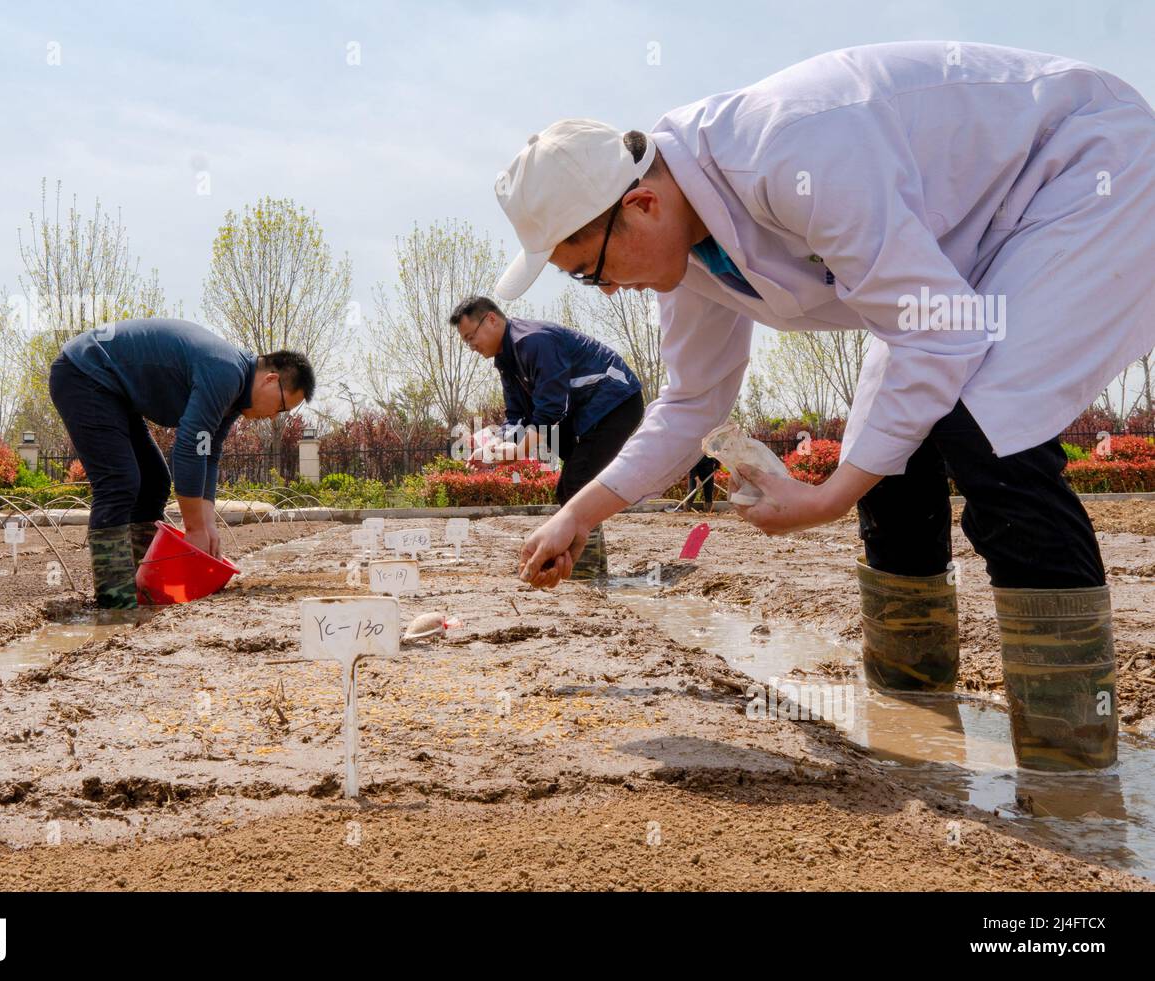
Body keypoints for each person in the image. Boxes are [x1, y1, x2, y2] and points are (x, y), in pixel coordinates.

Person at [492, 42, 1155, 771]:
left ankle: (1071, 765)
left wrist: (826, 499)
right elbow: (691, 404)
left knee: (988, 427)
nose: (607, 291)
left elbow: (939, 330)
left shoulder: (789, 150)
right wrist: (577, 515)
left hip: (1080, 170)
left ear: (641, 204)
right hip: (965, 242)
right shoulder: (686, 253)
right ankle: (916, 723)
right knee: (893, 443)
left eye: (591, 273)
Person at [49, 318, 314, 609]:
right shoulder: (226, 371)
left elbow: (209, 452)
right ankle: (114, 601)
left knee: (153, 483)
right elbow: (188, 447)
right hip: (85, 373)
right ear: (270, 379)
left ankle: (140, 584)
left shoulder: (234, 393)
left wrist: (208, 523)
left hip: (113, 390)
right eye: (280, 406)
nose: (275, 416)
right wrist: (194, 529)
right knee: (119, 482)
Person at [450, 296, 643, 580]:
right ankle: (591, 566)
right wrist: (493, 451)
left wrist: (515, 452)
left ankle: (585, 569)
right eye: (466, 342)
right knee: (573, 487)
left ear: (491, 319)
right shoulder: (506, 362)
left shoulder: (533, 341)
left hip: (614, 402)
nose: (472, 346)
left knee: (575, 484)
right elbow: (516, 417)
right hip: (578, 417)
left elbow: (551, 409)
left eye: (471, 337)